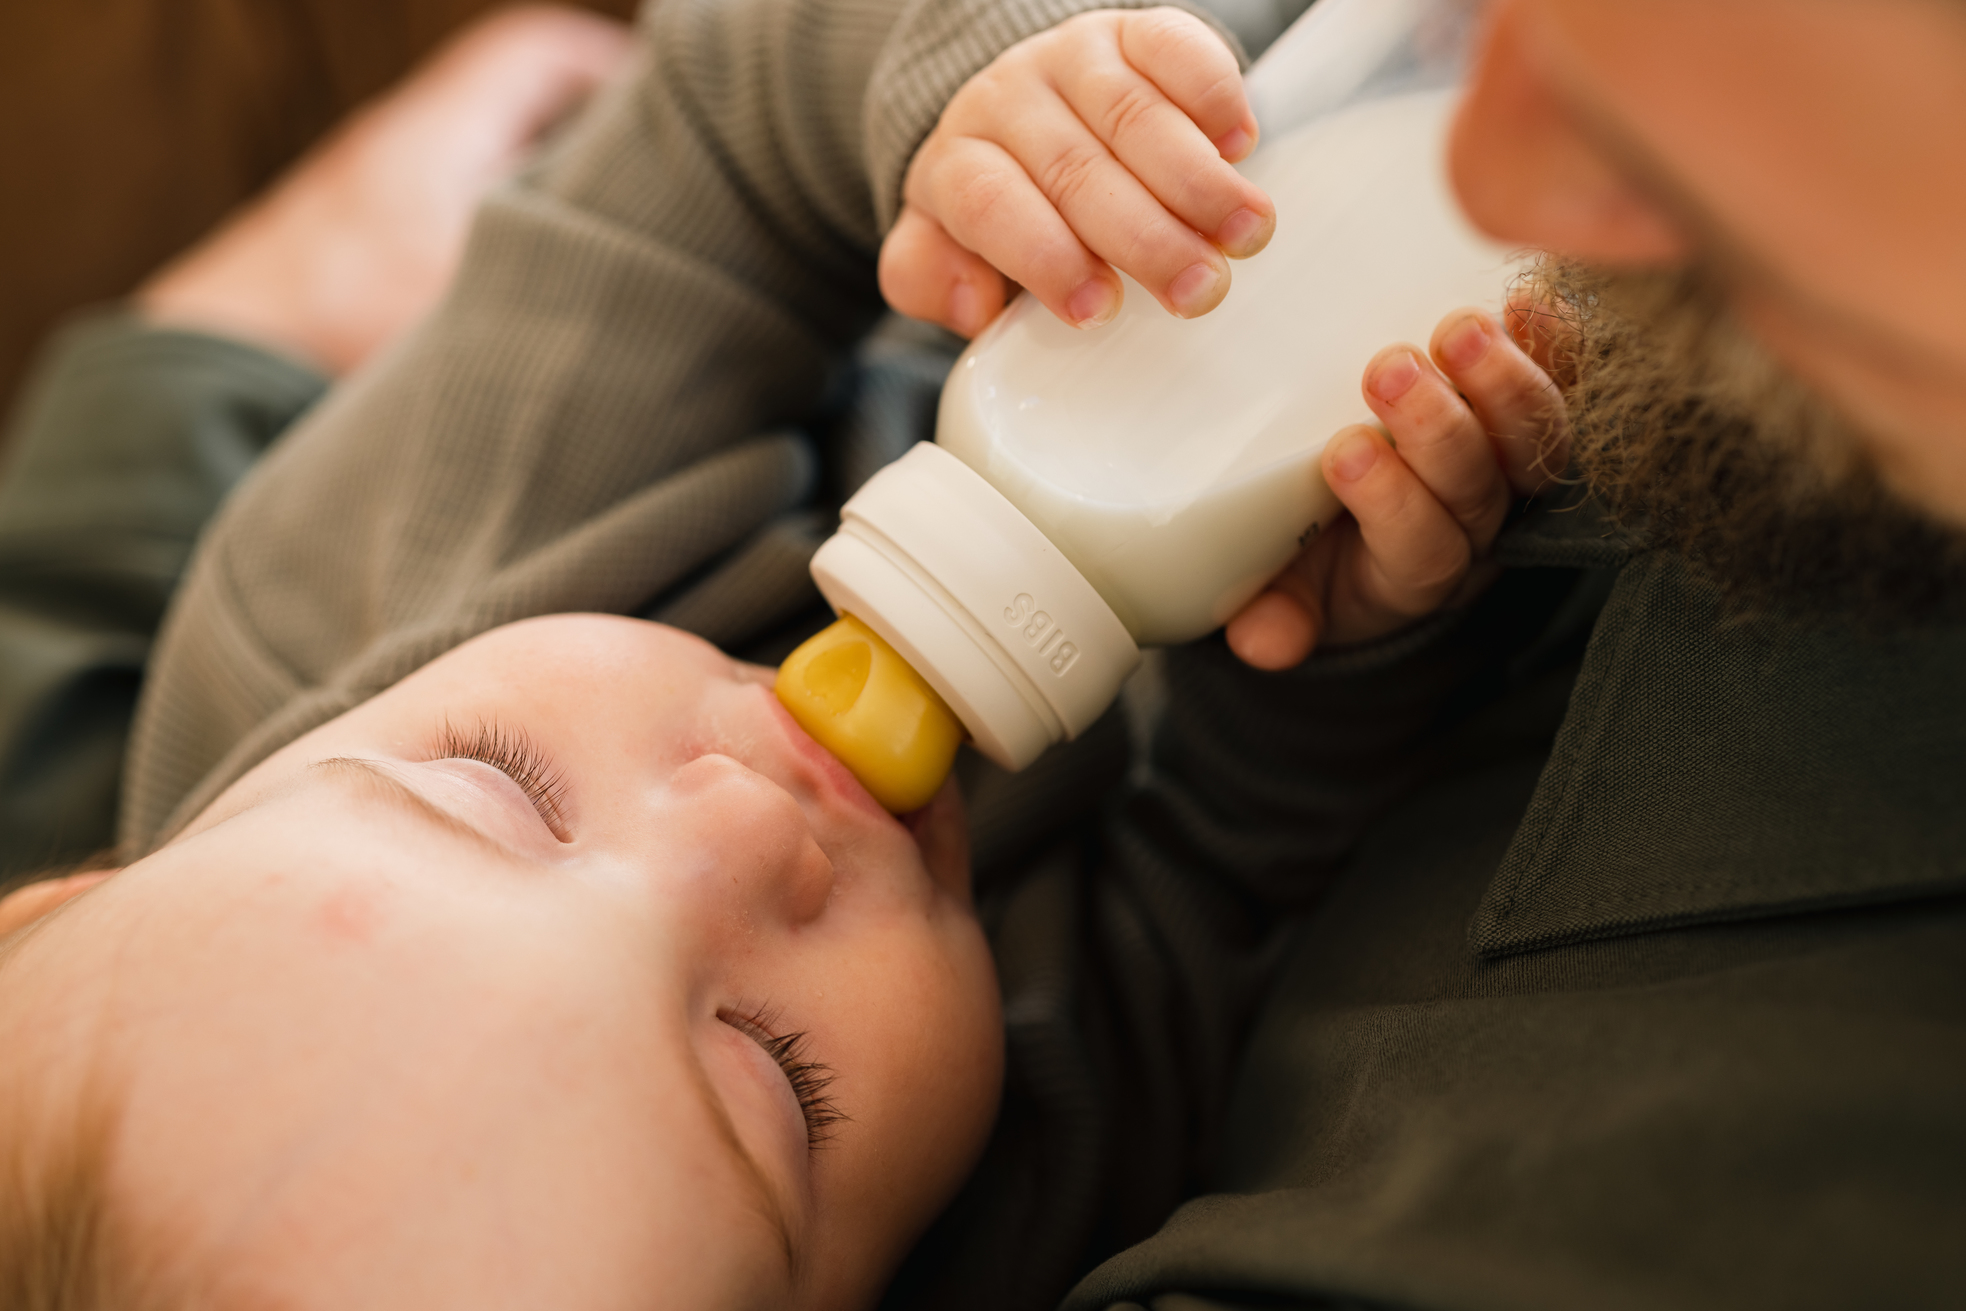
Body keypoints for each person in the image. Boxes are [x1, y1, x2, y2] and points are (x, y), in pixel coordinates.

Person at [5, 0, 1965, 1308]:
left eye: (496, 796)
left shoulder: (383, 582)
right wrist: (1319, 636)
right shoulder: (997, 1201)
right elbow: (1222, 883)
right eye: (764, 1071)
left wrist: (974, 105)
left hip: (955, 246)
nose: (746, 821)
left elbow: (720, 118)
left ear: (71, 895)